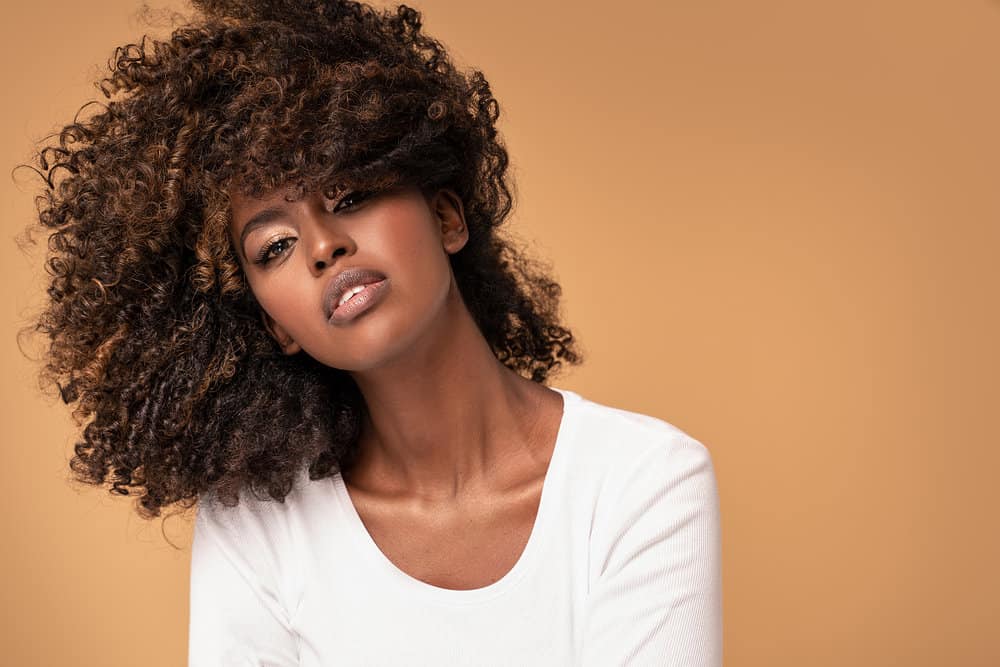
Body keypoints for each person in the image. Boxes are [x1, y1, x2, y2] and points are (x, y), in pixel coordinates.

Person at [22, 0, 722, 664]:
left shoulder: (640, 481)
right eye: (274, 246)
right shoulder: (262, 525)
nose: (323, 245)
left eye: (350, 196)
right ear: (276, 324)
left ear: (447, 216)